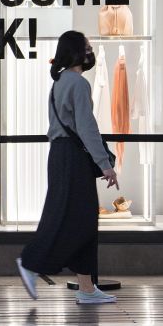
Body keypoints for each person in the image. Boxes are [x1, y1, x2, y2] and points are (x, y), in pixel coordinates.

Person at [16, 30, 120, 304]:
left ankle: (87, 289)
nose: (90, 51)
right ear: (76, 51)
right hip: (72, 157)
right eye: (87, 47)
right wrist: (105, 164)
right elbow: (87, 127)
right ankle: (31, 262)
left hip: (61, 154)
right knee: (74, 218)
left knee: (78, 218)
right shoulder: (78, 83)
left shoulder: (61, 81)